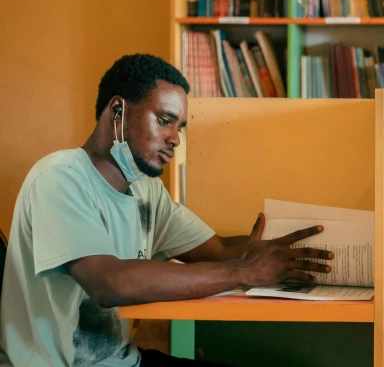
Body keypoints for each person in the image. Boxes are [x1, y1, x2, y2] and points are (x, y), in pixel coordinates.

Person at [0, 54, 332, 367]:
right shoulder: (59, 178)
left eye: (179, 127)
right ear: (118, 111)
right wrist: (242, 271)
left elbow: (216, 249)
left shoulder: (146, 188)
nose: (174, 139)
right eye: (164, 121)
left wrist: (278, 251)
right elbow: (108, 284)